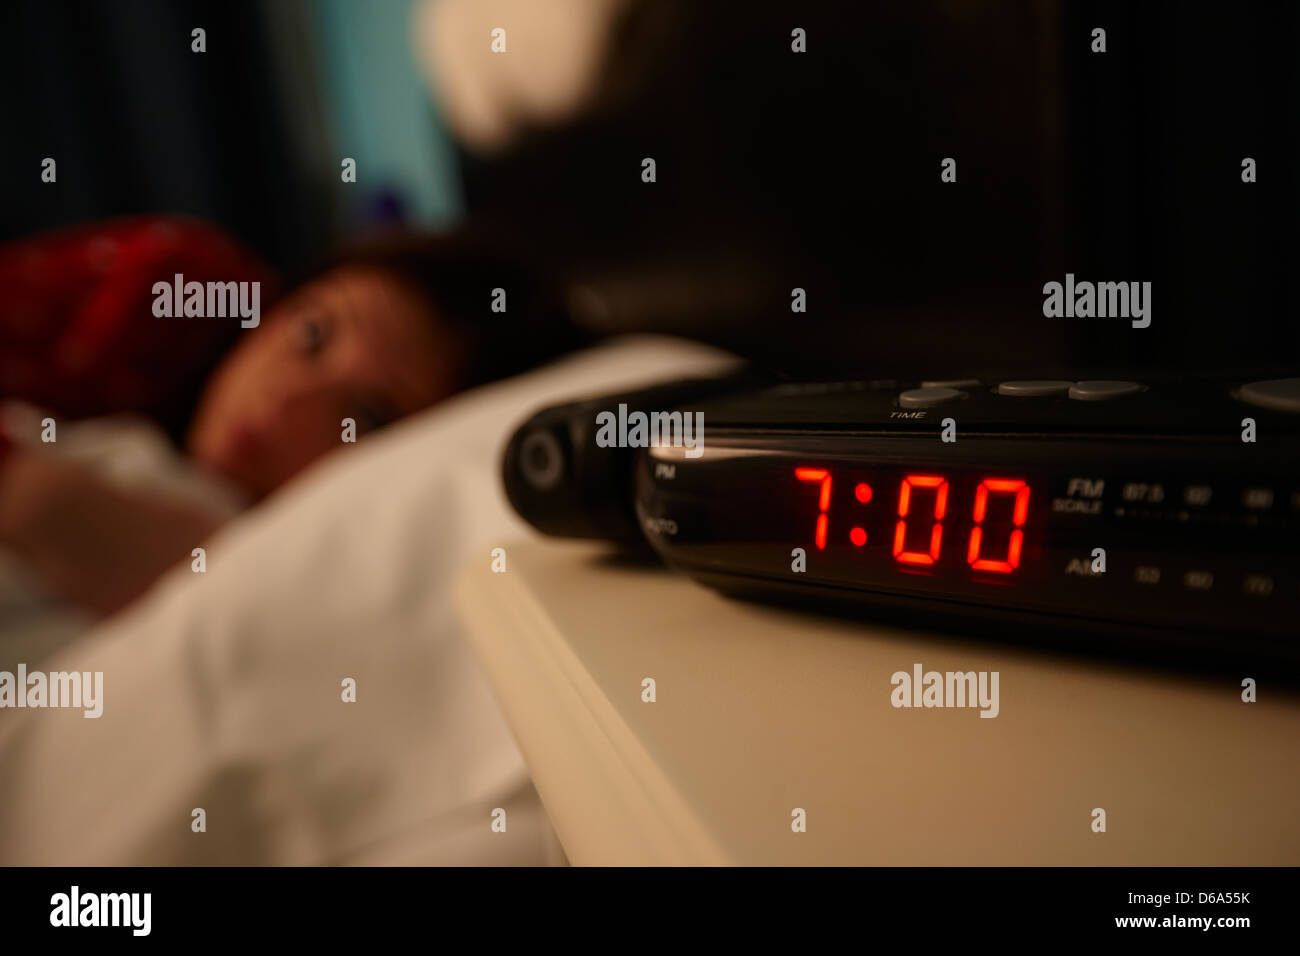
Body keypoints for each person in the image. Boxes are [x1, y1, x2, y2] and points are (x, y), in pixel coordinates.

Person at [0, 216, 588, 617]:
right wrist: (35, 493)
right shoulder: (178, 289)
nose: (289, 401)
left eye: (366, 416)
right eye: (312, 333)